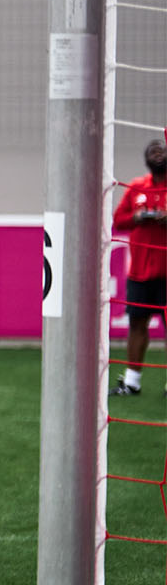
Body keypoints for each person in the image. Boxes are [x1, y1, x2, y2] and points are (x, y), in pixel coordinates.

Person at [113, 136, 167, 396]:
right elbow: (119, 220)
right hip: (140, 273)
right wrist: (137, 216)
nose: (157, 153)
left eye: (161, 150)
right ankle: (132, 382)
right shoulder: (136, 187)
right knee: (137, 324)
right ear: (146, 159)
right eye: (153, 151)